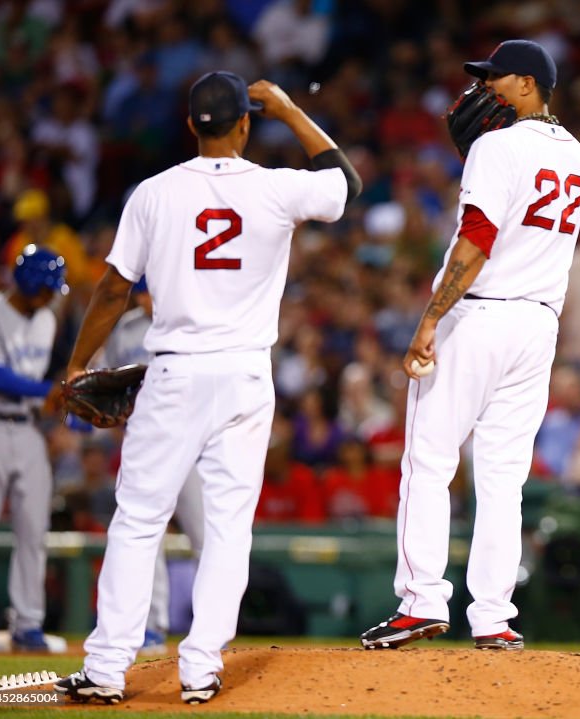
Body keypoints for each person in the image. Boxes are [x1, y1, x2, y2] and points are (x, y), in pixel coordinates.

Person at [52, 71, 360, 705]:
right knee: (227, 529)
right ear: (244, 124)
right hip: (247, 376)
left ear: (192, 124)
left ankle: (108, 669)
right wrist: (292, 110)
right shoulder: (277, 189)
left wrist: (78, 364)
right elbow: (344, 184)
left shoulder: (155, 193)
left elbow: (115, 289)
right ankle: (201, 668)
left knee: (139, 520)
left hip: (177, 372)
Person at [359, 39, 580, 651]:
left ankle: (421, 602)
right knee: (502, 479)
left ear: (527, 84)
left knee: (429, 461)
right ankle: (492, 616)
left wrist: (430, 319)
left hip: (481, 315)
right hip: (538, 326)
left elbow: (478, 238)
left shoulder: (495, 146)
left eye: (495, 78)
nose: (483, 89)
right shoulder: (578, 156)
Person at [100, 277, 205, 656]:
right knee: (149, 533)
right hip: (146, 441)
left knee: (206, 536)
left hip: (193, 441)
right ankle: (151, 626)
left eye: (150, 291)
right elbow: (109, 382)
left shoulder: (192, 321)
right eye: (140, 292)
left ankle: (214, 624)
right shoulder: (126, 330)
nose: (145, 299)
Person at [0, 245, 67, 651]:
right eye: (48, 288)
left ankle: (28, 621)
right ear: (30, 283)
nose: (52, 296)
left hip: (29, 429)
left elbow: (39, 388)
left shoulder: (46, 319)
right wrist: (50, 392)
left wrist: (65, 407)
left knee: (34, 529)